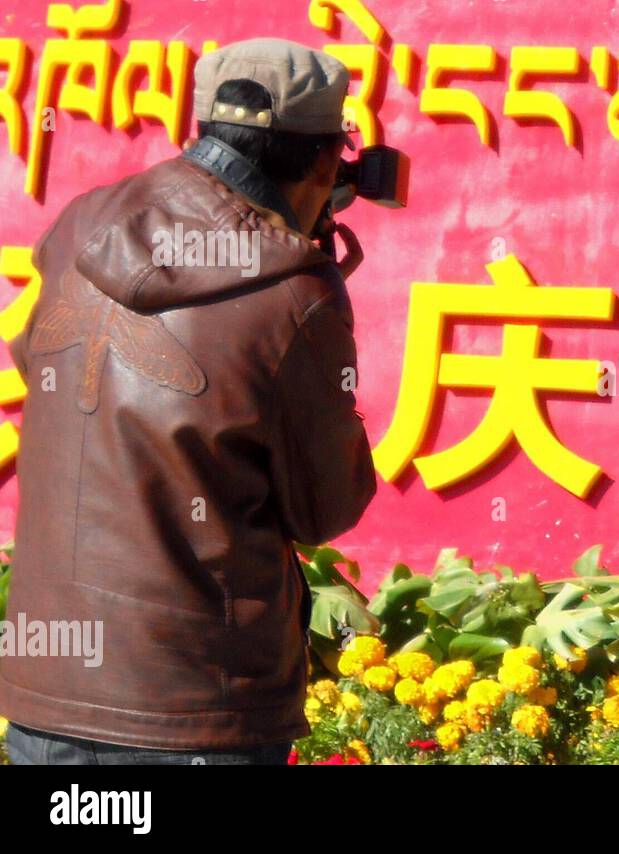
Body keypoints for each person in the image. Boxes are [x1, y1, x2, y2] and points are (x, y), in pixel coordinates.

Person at [0, 38, 377, 765]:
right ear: (328, 161)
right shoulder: (295, 292)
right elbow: (326, 508)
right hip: (198, 713)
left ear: (202, 129)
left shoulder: (80, 223)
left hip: (46, 700)